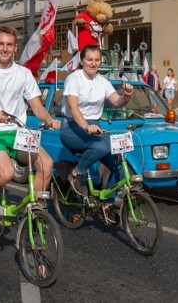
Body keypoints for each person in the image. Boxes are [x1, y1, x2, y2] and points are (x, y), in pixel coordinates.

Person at [0, 26, 60, 222]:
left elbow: (36, 106)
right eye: (1, 44)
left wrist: (49, 119)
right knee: (6, 173)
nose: (5, 48)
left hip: (17, 132)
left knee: (46, 163)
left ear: (15, 47)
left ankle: (33, 212)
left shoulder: (24, 73)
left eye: (9, 45)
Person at [59, 44, 134, 223]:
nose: (93, 63)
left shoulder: (102, 81)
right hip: (72, 127)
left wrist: (127, 96)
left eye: (97, 60)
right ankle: (77, 173)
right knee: (101, 145)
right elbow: (72, 107)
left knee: (119, 161)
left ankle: (107, 204)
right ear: (82, 61)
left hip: (95, 126)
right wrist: (86, 126)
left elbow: (116, 102)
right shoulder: (74, 79)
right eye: (89, 60)